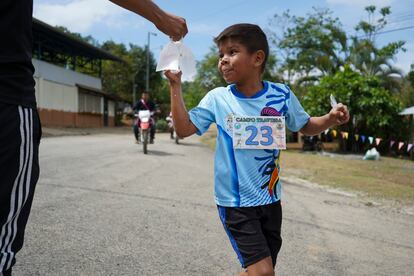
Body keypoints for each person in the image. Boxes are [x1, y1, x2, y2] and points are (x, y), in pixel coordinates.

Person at [0, 1, 186, 275]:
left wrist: (153, 112)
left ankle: (150, 138)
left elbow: (153, 111)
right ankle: (139, 135)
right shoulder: (138, 104)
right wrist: (159, 17)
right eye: (144, 97)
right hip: (9, 95)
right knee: (137, 125)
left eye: (145, 97)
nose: (144, 98)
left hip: (8, 91)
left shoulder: (150, 104)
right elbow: (136, 111)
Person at [164, 23, 349, 276]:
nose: (223, 61)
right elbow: (184, 129)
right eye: (221, 55)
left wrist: (329, 119)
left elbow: (305, 125)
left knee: (261, 270)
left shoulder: (281, 95)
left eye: (231, 52)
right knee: (263, 272)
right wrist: (175, 87)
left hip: (271, 200)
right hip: (235, 203)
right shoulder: (218, 98)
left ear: (257, 58)